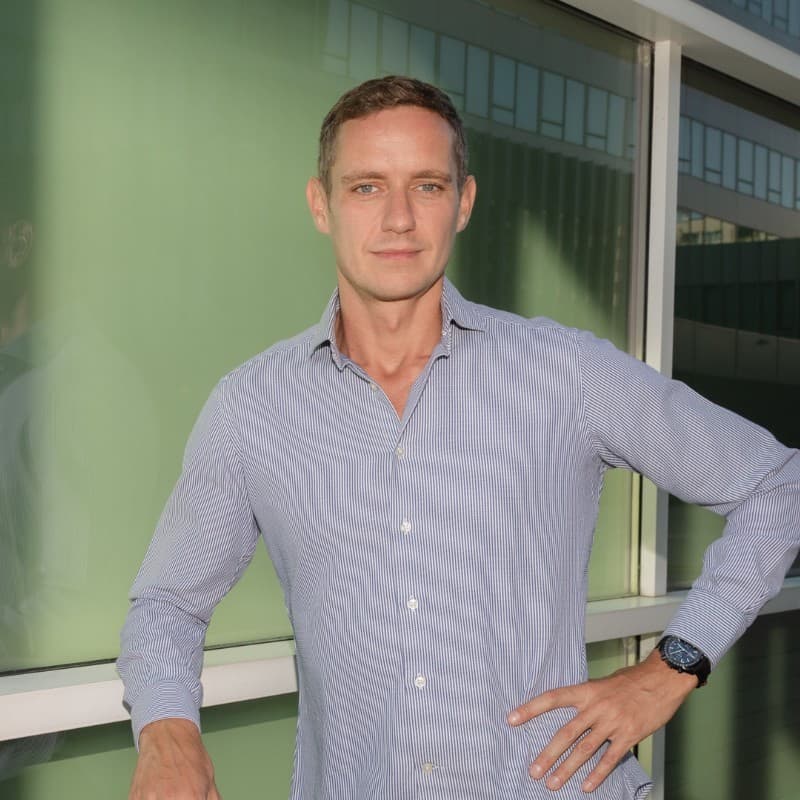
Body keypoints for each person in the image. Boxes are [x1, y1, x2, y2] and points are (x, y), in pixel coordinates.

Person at [118, 76, 800, 799]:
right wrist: (167, 733)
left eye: (428, 187)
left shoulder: (563, 371)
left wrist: (672, 668)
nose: (400, 220)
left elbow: (776, 486)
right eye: (367, 188)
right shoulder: (251, 407)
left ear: (464, 203)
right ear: (321, 205)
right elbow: (166, 603)